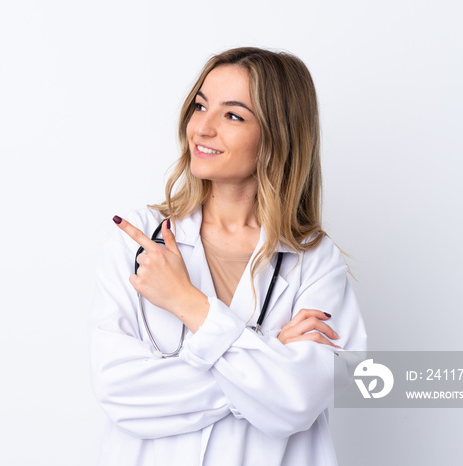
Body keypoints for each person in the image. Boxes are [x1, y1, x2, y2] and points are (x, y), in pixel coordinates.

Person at [89, 47, 367, 466]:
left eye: (233, 115)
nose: (202, 128)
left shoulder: (313, 259)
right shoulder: (140, 238)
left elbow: (300, 402)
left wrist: (189, 303)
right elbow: (119, 390)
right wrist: (267, 356)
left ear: (278, 134)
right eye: (200, 106)